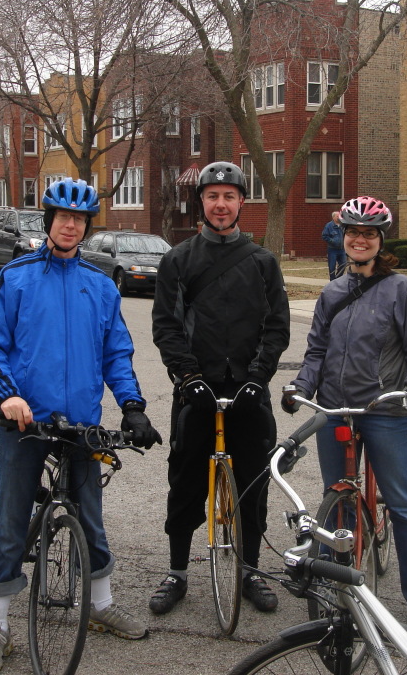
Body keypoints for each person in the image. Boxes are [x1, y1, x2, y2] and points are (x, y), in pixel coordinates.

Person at [0, 177, 162, 675]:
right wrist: (7, 396)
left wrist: (134, 406)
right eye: (62, 217)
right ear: (49, 220)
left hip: (81, 423)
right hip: (25, 422)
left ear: (86, 226)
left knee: (90, 517)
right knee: (12, 522)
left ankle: (100, 606)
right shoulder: (14, 278)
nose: (71, 225)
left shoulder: (99, 286)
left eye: (79, 219)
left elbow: (116, 353)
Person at [281, 195, 407, 633]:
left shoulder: (400, 289)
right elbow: (316, 350)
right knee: (337, 500)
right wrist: (301, 387)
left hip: (386, 409)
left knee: (405, 504)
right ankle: (340, 580)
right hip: (336, 408)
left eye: (368, 233)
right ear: (344, 237)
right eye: (353, 232)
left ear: (379, 240)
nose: (359, 239)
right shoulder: (332, 290)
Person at [149, 161, 291, 616]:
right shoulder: (178, 259)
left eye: (229, 196)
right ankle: (177, 572)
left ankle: (250, 571)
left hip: (248, 389)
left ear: (242, 202)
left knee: (252, 481)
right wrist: (187, 377)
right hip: (198, 389)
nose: (221, 204)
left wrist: (259, 376)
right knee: (186, 479)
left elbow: (277, 326)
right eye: (213, 196)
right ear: (202, 203)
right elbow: (167, 326)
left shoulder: (263, 261)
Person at [322, 210, 346, 280]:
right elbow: (324, 236)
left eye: (340, 216)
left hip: (342, 249)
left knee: (343, 264)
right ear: (333, 217)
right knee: (332, 266)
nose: (339, 218)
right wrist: (332, 241)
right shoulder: (329, 226)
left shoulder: (343, 225)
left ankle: (338, 279)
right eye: (337, 216)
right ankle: (332, 281)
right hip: (332, 250)